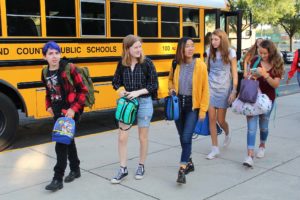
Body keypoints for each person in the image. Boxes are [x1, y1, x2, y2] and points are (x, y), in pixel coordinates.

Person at [111, 35, 158, 184]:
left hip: (144, 103)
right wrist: (121, 91)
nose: (139, 50)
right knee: (122, 137)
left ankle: (141, 165)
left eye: (140, 46)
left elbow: (153, 85)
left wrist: (137, 92)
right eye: (135, 47)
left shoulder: (147, 63)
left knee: (142, 137)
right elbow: (115, 82)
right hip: (127, 104)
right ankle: (123, 168)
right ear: (127, 49)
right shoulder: (122, 64)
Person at [42, 41, 88, 191]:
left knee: (60, 143)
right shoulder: (45, 72)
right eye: (50, 53)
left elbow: (83, 90)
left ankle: (57, 178)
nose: (54, 56)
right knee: (68, 140)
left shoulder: (69, 68)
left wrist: (73, 109)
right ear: (45, 57)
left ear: (60, 54)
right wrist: (48, 105)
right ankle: (75, 169)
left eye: (57, 53)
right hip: (57, 112)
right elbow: (48, 91)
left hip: (69, 111)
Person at [168, 37, 209, 184]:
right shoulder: (175, 64)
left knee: (186, 137)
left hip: (193, 106)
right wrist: (171, 88)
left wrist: (203, 110)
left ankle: (182, 168)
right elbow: (170, 80)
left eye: (192, 46)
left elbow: (205, 90)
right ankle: (189, 162)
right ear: (181, 49)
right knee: (182, 136)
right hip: (179, 105)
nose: (191, 49)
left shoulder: (201, 66)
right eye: (187, 46)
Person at [243, 40, 284, 167]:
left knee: (264, 126)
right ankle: (249, 155)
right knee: (251, 127)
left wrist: (265, 75)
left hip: (268, 100)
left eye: (265, 53)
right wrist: (251, 76)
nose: (262, 55)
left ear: (271, 52)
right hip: (253, 98)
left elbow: (276, 84)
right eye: (260, 53)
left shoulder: (277, 63)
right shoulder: (255, 59)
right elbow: (247, 76)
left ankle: (262, 144)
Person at [205, 29, 238, 160]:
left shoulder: (230, 53)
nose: (213, 42)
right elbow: (205, 70)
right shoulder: (208, 52)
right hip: (210, 87)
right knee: (211, 119)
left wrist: (234, 91)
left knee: (220, 120)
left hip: (224, 88)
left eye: (216, 40)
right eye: (212, 39)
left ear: (222, 40)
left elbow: (235, 73)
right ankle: (214, 148)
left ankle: (227, 132)